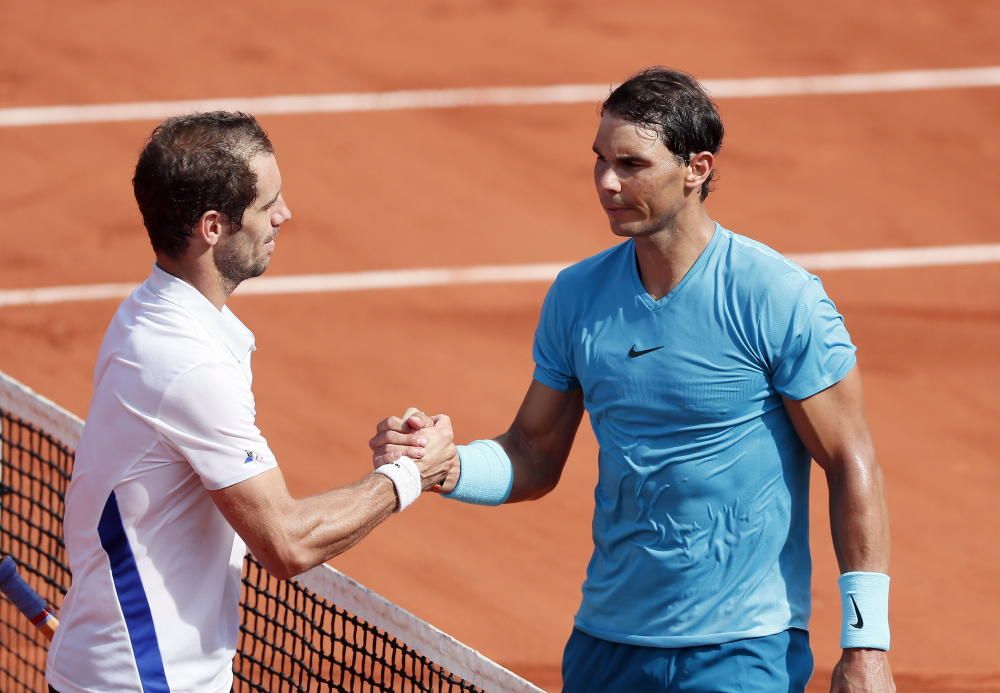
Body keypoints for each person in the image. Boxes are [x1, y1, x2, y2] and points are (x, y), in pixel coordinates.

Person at [370, 68, 895, 692]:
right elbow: (533, 453)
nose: (607, 183)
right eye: (599, 161)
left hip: (743, 647)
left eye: (631, 164)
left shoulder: (776, 297)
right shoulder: (577, 296)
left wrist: (866, 645)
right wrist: (447, 467)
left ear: (696, 168)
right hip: (609, 641)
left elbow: (849, 458)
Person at [45, 112, 454, 693]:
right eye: (269, 204)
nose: (285, 215)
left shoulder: (156, 315)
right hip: (146, 680)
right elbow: (286, 543)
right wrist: (408, 475)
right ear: (214, 226)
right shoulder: (189, 362)